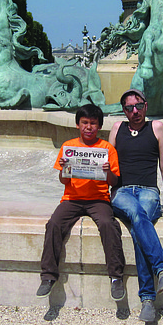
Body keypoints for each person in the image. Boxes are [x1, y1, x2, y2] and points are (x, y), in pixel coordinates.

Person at [109, 88, 163, 322]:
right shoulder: (117, 129)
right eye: (128, 108)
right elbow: (109, 164)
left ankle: (147, 300)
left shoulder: (156, 127)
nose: (134, 111)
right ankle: (162, 269)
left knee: (138, 225)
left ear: (146, 106)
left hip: (148, 191)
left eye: (138, 106)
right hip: (123, 192)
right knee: (138, 215)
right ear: (124, 110)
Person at [37, 103, 127, 302]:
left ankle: (116, 277)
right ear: (77, 125)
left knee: (108, 225)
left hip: (99, 199)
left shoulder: (107, 149)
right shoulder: (68, 147)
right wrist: (63, 169)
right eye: (84, 122)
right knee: (53, 224)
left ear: (99, 126)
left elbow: (114, 182)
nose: (88, 127)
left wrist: (107, 172)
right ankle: (48, 276)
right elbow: (63, 180)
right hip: (72, 198)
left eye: (93, 123)